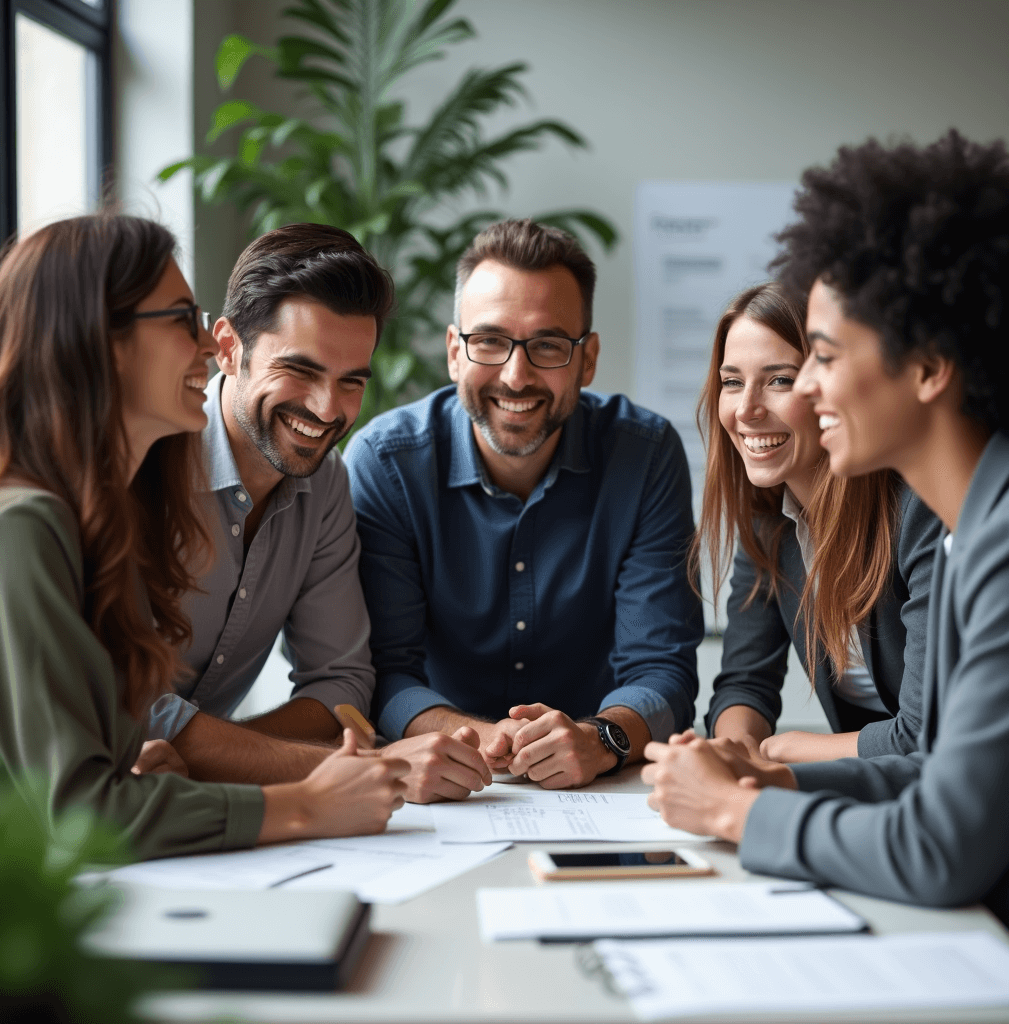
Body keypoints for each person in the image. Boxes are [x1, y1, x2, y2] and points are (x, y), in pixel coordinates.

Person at [643, 130, 1009, 922]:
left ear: (928, 366)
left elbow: (941, 842)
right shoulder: (970, 527)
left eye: (822, 358)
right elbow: (937, 771)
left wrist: (737, 811)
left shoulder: (991, 538)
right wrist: (773, 779)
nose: (803, 390)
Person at [0, 214, 408, 860]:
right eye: (183, 320)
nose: (205, 348)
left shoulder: (87, 512)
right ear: (101, 341)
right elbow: (79, 811)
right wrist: (309, 800)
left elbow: (120, 759)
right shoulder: (25, 523)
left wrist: (157, 772)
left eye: (351, 380)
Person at [138, 223, 492, 803]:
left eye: (350, 381)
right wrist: (340, 767)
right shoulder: (140, 465)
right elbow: (127, 714)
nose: (328, 410)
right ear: (227, 347)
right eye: (299, 371)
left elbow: (342, 686)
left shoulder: (325, 482)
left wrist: (210, 761)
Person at [345, 219, 703, 789]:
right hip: (441, 784)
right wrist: (482, 738)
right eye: (489, 341)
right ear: (454, 353)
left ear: (587, 360)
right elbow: (382, 670)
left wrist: (601, 737)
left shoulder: (645, 454)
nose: (516, 375)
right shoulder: (387, 463)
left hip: (604, 784)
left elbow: (661, 666)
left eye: (547, 346)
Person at [696, 282, 941, 762]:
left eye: (779, 380)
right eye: (731, 381)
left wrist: (785, 750)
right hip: (867, 794)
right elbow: (744, 683)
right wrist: (733, 752)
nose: (746, 409)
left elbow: (922, 736)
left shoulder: (919, 511)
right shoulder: (768, 519)